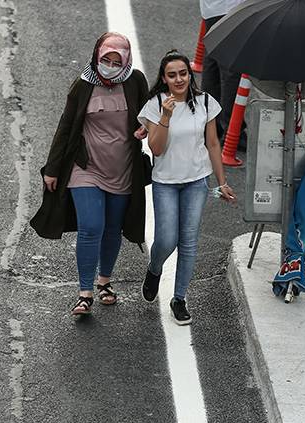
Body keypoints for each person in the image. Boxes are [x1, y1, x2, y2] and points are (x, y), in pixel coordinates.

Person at [30, 32, 150, 316]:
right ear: (97, 57)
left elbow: (150, 115)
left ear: (126, 60)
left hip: (122, 170)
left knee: (112, 229)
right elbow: (66, 126)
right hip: (86, 169)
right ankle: (85, 293)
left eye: (115, 60)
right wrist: (53, 168)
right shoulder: (82, 85)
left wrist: (148, 128)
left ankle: (104, 281)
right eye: (105, 59)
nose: (109, 65)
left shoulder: (136, 82)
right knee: (91, 227)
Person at [138, 50, 236, 325]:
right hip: (165, 183)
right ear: (164, 78)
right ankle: (154, 269)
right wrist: (166, 117)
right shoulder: (155, 105)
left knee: (189, 242)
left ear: (189, 75)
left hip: (196, 181)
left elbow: (213, 144)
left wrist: (222, 182)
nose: (179, 79)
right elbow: (156, 148)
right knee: (167, 240)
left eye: (183, 73)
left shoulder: (205, 102)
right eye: (172, 75)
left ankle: (179, 298)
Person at [199, 0, 247, 150]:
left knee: (212, 63)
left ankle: (211, 126)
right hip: (230, 9)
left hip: (212, 9)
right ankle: (232, 131)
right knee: (231, 71)